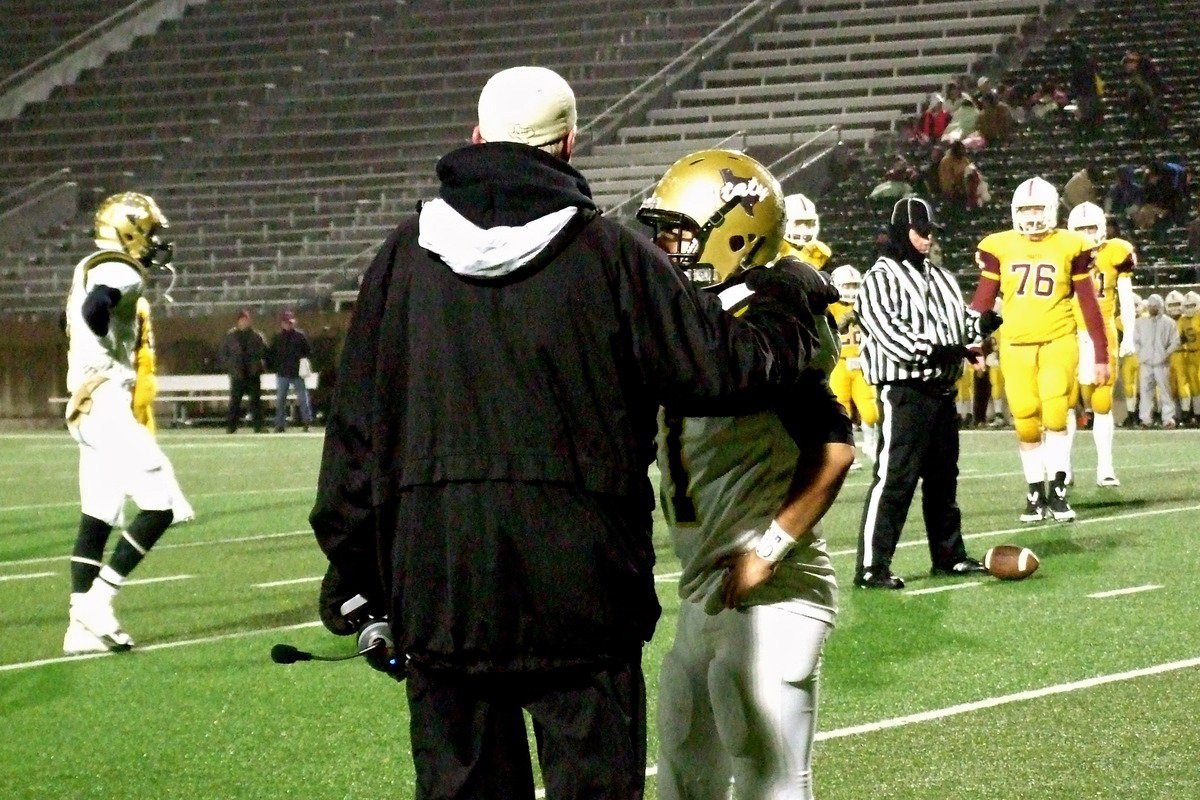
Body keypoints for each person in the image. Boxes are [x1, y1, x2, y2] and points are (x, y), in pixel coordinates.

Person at [309, 66, 829, 800]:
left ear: (476, 136)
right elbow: (726, 369)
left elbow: (355, 439)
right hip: (582, 588)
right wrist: (787, 295)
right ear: (568, 144)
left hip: (443, 583)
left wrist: (359, 582)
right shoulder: (609, 254)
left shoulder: (401, 259)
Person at [637, 149, 849, 800]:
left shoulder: (766, 321)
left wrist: (769, 549)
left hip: (775, 588)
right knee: (683, 768)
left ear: (734, 233)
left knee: (769, 780)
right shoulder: (705, 317)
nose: (667, 247)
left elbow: (834, 448)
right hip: (711, 587)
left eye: (681, 231)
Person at [854, 197, 996, 589]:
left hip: (941, 390)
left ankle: (948, 556)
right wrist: (948, 346)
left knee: (943, 479)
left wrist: (982, 327)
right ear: (902, 231)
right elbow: (894, 337)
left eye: (931, 233)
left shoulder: (943, 277)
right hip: (905, 389)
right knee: (895, 478)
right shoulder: (878, 279)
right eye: (920, 232)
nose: (927, 240)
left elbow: (959, 323)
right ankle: (872, 566)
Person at [62, 192, 182, 654]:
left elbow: (66, 321)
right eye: (149, 233)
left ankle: (78, 629)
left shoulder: (89, 263)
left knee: (98, 514)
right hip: (107, 400)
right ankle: (99, 601)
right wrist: (104, 341)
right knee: (160, 504)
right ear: (128, 230)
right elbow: (96, 308)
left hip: (84, 404)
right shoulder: (119, 267)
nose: (153, 243)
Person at [969, 177, 1110, 523]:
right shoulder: (998, 246)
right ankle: (1035, 492)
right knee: (1026, 421)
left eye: (1037, 208)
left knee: (1055, 413)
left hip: (1057, 340)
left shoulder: (1070, 244)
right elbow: (983, 301)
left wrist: (1102, 353)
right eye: (1025, 209)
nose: (1032, 216)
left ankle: (1058, 491)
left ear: (1051, 209)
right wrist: (972, 342)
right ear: (1015, 211)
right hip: (1015, 345)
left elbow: (1089, 304)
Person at [1063, 202, 1137, 485]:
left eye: (1091, 228)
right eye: (1081, 228)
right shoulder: (1063, 252)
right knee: (1066, 401)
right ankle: (1063, 468)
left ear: (1102, 228)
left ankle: (1105, 467)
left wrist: (1129, 333)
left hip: (1102, 332)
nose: (1086, 233)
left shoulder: (1115, 252)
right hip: (1068, 331)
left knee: (1102, 401)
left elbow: (1127, 297)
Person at [827, 264, 878, 468]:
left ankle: (871, 444)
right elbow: (826, 333)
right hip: (839, 363)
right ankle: (849, 452)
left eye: (854, 286)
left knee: (871, 411)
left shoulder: (867, 304)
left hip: (862, 362)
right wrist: (840, 323)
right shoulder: (829, 306)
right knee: (842, 410)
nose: (850, 291)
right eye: (846, 286)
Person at [1134, 294, 1179, 427]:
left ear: (1160, 306)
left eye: (1155, 306)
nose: (1152, 308)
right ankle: (1145, 419)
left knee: (1165, 391)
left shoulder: (1169, 323)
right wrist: (1141, 354)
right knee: (1145, 391)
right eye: (1150, 306)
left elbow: (1175, 341)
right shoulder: (1141, 322)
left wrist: (1165, 354)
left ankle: (1168, 419)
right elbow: (1135, 340)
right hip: (1146, 363)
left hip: (1162, 363)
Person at [219, 309, 267, 433]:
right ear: (238, 321)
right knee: (235, 402)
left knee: (256, 401)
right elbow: (223, 354)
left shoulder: (257, 336)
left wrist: (259, 366)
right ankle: (231, 427)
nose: (245, 322)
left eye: (247, 319)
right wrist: (231, 367)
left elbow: (264, 352)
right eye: (243, 319)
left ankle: (258, 426)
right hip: (237, 374)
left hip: (252, 373)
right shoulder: (230, 336)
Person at [268, 309, 313, 432]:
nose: (289, 324)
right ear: (282, 323)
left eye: (290, 322)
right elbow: (272, 354)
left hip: (297, 373)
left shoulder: (300, 336)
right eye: (287, 322)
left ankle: (306, 422)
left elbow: (308, 351)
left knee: (303, 398)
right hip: (283, 373)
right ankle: (280, 424)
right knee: (281, 399)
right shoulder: (278, 337)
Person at [779, 192, 831, 269]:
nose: (804, 229)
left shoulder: (821, 251)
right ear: (783, 221)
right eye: (798, 223)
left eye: (808, 223)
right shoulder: (772, 248)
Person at [1165, 290, 1194, 424]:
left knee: (1184, 386)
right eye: (1172, 304)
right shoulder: (1164, 320)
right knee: (1170, 388)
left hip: (1183, 355)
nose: (1175, 307)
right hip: (1168, 357)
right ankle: (1174, 415)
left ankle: (1187, 414)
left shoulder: (1185, 320)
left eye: (1177, 304)